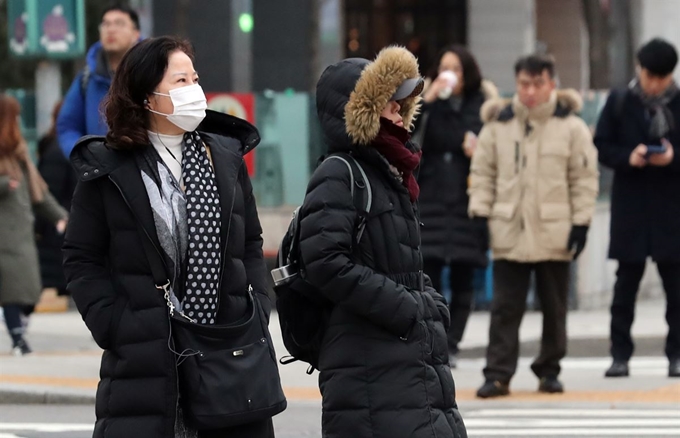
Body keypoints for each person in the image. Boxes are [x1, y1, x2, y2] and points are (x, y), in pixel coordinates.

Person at [63, 36, 275, 438]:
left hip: (227, 347)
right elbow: (81, 256)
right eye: (181, 80)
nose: (195, 89)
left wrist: (257, 306)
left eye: (195, 78)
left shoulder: (224, 157)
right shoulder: (108, 168)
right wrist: (113, 323)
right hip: (145, 359)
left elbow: (250, 241)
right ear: (147, 96)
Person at [299, 46, 468, 438]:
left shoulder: (388, 173)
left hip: (405, 357)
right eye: (390, 104)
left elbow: (401, 262)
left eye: (401, 104)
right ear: (360, 111)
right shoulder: (339, 174)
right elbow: (324, 261)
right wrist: (407, 306)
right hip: (368, 360)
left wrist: (429, 304)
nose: (399, 112)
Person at [469, 54, 599, 398]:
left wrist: (581, 223)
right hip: (509, 228)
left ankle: (549, 369)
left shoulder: (571, 127)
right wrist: (480, 215)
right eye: (524, 83)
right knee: (504, 308)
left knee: (554, 307)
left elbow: (584, 178)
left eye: (537, 83)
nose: (529, 91)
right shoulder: (498, 125)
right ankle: (498, 374)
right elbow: (482, 175)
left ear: (551, 84)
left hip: (555, 229)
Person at [594, 38, 680, 379]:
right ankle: (619, 355)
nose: (655, 84)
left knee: (676, 289)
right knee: (624, 287)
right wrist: (627, 158)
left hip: (671, 209)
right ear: (639, 69)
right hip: (631, 205)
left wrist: (673, 159)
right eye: (650, 76)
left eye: (663, 77)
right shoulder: (619, 102)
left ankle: (676, 355)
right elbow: (602, 144)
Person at [415, 45, 498, 367]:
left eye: (457, 69)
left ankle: (452, 342)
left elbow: (493, 147)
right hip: (432, 197)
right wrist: (428, 100)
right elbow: (406, 132)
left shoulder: (482, 106)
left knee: (465, 276)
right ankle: (434, 341)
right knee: (430, 273)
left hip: (467, 197)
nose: (450, 74)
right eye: (444, 67)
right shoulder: (426, 103)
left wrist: (477, 146)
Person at [0, 94, 68, 356]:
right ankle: (19, 341)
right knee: (13, 292)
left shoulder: (19, 156)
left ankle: (17, 331)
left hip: (21, 234)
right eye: (14, 117)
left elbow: (40, 193)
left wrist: (60, 216)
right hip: (5, 237)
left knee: (29, 292)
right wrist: (5, 185)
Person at [56, 3, 140, 157]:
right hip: (100, 172)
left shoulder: (152, 72)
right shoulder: (87, 78)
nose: (111, 29)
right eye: (106, 24)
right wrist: (85, 157)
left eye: (119, 23)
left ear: (136, 33)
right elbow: (67, 126)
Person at [35, 101, 77, 296]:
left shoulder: (61, 148)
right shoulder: (60, 151)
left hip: (62, 230)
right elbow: (46, 194)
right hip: (60, 230)